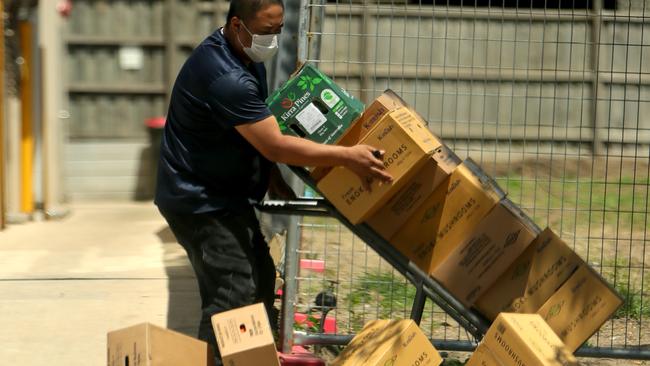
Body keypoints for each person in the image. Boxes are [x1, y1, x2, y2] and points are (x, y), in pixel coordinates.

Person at [154, 0, 392, 363]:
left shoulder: (244, 58)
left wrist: (270, 175)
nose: (273, 39)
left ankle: (253, 359)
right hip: (198, 203)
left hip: (223, 195)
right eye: (266, 31)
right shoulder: (226, 78)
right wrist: (348, 156)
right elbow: (275, 143)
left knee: (261, 277)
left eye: (278, 29)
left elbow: (255, 136)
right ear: (237, 25)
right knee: (231, 293)